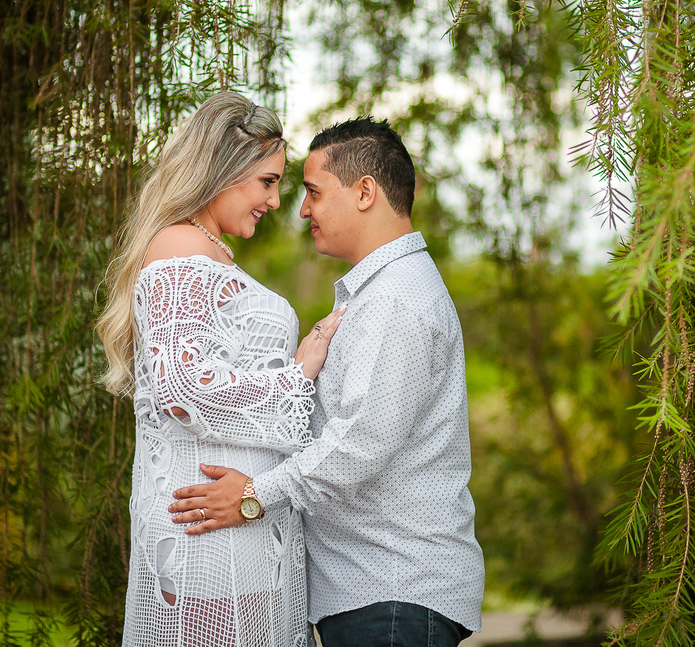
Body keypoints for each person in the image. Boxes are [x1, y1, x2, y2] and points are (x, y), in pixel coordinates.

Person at [167, 118, 485, 647]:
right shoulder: (379, 293)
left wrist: (251, 496)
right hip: (376, 595)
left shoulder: (395, 299)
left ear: (365, 192)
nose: (302, 209)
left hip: (392, 594)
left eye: (313, 192)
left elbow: (361, 445)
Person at [97, 91, 344, 647]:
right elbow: (183, 389)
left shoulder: (207, 251)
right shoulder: (179, 248)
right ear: (223, 170)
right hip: (206, 531)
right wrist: (298, 376)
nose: (276, 200)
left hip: (239, 521)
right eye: (267, 181)